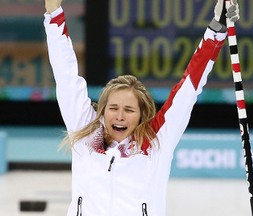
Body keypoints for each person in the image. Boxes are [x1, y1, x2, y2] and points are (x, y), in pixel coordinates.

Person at [44, 0, 240, 215]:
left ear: (141, 115)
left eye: (129, 110)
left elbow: (188, 89)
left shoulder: (156, 142)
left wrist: (216, 31)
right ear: (103, 109)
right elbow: (66, 76)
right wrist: (53, 12)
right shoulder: (86, 133)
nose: (119, 116)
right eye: (113, 108)